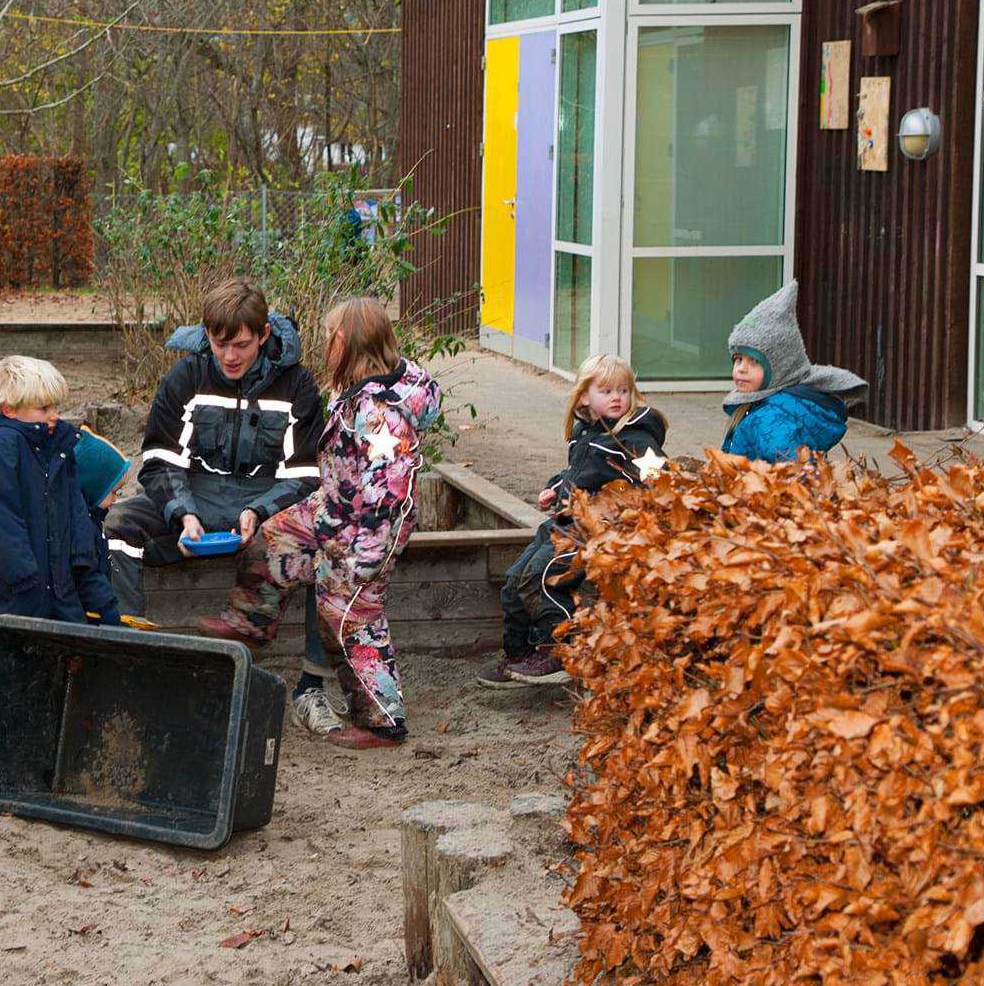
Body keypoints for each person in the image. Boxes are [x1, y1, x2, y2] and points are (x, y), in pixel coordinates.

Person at [196, 298, 439, 749]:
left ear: (343, 342)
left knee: (348, 616)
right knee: (275, 536)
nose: (324, 345)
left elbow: (391, 493)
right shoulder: (358, 387)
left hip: (368, 529)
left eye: (329, 338)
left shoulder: (381, 414)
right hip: (335, 506)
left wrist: (365, 559)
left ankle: (383, 721)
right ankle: (251, 621)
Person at [0, 356, 125, 777]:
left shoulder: (60, 455)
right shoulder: (3, 451)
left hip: (57, 589)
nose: (54, 416)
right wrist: (24, 575)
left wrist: (98, 597)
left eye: (55, 408)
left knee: (56, 663)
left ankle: (40, 749)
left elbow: (75, 526)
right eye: (43, 409)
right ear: (10, 410)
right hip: (14, 590)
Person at [104, 279, 324, 616]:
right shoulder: (186, 375)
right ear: (207, 334)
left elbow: (304, 477)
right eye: (220, 344)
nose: (230, 356)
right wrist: (182, 513)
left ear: (263, 335)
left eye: (241, 345)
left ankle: (270, 642)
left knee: (320, 534)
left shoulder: (298, 384)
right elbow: (160, 460)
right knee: (118, 521)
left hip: (260, 509)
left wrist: (258, 512)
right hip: (193, 499)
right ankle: (126, 631)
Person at [478, 354, 667, 690]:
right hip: (566, 520)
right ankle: (518, 653)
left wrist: (637, 504)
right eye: (606, 390)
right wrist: (556, 486)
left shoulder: (635, 437)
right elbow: (579, 474)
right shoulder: (586, 432)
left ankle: (561, 652)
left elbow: (657, 476)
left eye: (623, 390)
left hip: (593, 529)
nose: (616, 397)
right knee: (514, 578)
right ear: (584, 397)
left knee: (544, 576)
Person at [720, 281, 867, 462]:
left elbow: (797, 471)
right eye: (738, 359)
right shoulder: (764, 405)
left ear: (781, 368)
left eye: (754, 361)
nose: (741, 368)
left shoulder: (769, 420)